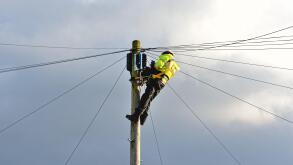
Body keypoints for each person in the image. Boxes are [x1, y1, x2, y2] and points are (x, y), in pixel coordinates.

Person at [126, 50, 180, 125]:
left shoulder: (165, 57)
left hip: (156, 79)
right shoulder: (174, 65)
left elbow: (158, 66)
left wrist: (153, 65)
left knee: (146, 96)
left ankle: (136, 115)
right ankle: (142, 118)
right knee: (149, 98)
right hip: (162, 83)